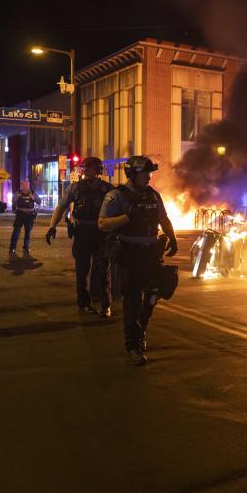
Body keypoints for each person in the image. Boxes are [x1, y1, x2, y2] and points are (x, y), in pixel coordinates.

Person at [98, 156, 178, 366]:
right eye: (144, 174)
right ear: (132, 174)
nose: (148, 178)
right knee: (132, 301)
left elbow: (164, 218)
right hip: (129, 254)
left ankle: (140, 331)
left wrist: (172, 237)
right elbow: (102, 224)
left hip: (151, 253)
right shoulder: (116, 196)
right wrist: (127, 217)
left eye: (150, 174)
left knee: (153, 294)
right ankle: (132, 345)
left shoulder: (153, 196)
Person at [46, 157, 114, 317]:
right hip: (82, 232)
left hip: (100, 233)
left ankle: (106, 306)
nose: (86, 170)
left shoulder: (108, 189)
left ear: (98, 170)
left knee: (103, 271)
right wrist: (51, 227)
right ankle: (84, 304)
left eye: (89, 168)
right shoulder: (76, 188)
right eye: (84, 167)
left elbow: (117, 211)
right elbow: (61, 206)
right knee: (81, 272)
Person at [9, 179, 40, 255]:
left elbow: (39, 201)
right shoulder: (18, 193)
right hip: (20, 214)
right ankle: (12, 248)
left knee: (28, 232)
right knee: (16, 232)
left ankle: (26, 247)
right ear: (21, 185)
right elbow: (13, 201)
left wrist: (34, 198)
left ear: (29, 185)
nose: (25, 186)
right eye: (23, 184)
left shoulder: (33, 193)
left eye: (26, 184)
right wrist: (16, 198)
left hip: (30, 215)